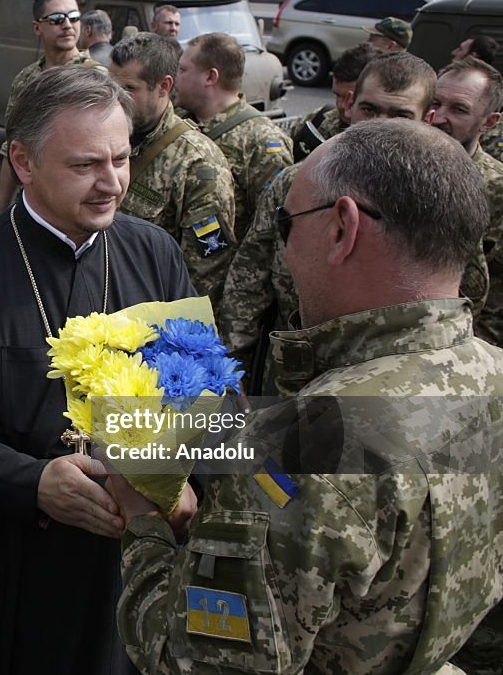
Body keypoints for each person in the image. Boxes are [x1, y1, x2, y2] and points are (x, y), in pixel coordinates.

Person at [115, 118, 503, 674]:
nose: (283, 245)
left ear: (343, 228)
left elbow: (197, 662)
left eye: (285, 222)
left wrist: (142, 527)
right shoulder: (493, 375)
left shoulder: (309, 441)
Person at [0, 65, 195, 675]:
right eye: (86, 166)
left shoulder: (154, 252)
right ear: (23, 163)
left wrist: (185, 486)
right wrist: (30, 482)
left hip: (141, 552)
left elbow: (203, 391)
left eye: (122, 161)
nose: (112, 184)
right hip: (18, 552)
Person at [220, 52, 436, 394]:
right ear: (349, 104)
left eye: (399, 115)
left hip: (392, 383)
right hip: (291, 373)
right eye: (370, 109)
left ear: (428, 119)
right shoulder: (296, 183)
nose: (378, 125)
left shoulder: (436, 197)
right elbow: (248, 282)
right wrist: (231, 373)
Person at [108, 32, 236, 307]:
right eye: (112, 86)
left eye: (129, 89)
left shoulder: (198, 164)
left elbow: (204, 277)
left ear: (163, 86)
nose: (116, 99)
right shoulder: (104, 138)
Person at [176, 32, 291, 242]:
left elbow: (273, 227)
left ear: (210, 77)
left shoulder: (261, 141)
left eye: (183, 70)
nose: (176, 77)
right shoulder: (180, 121)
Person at [0, 0, 100, 213]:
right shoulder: (26, 79)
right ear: (37, 27)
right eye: (56, 19)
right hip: (31, 202)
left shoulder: (95, 78)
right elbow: (11, 148)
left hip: (75, 203)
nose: (67, 25)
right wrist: (1, 211)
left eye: (73, 17)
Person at [431, 57, 503, 349]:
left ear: (489, 122)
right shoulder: (395, 170)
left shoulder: (497, 190)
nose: (437, 117)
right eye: (435, 102)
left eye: (458, 109)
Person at [291, 42, 377, 162]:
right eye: (338, 95)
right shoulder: (319, 120)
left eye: (351, 99)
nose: (342, 105)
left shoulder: (383, 140)